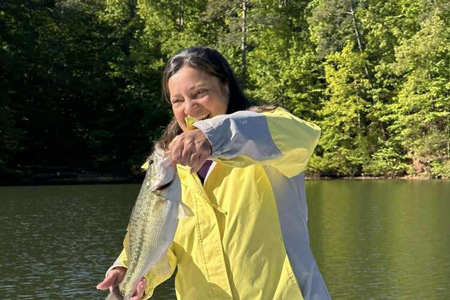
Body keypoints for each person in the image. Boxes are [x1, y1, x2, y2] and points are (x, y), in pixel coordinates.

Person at [97, 46, 331, 300]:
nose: (189, 108)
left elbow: (304, 137)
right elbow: (157, 238)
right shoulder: (166, 168)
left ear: (226, 87)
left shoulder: (268, 131)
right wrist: (130, 270)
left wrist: (210, 136)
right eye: (177, 100)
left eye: (200, 92)